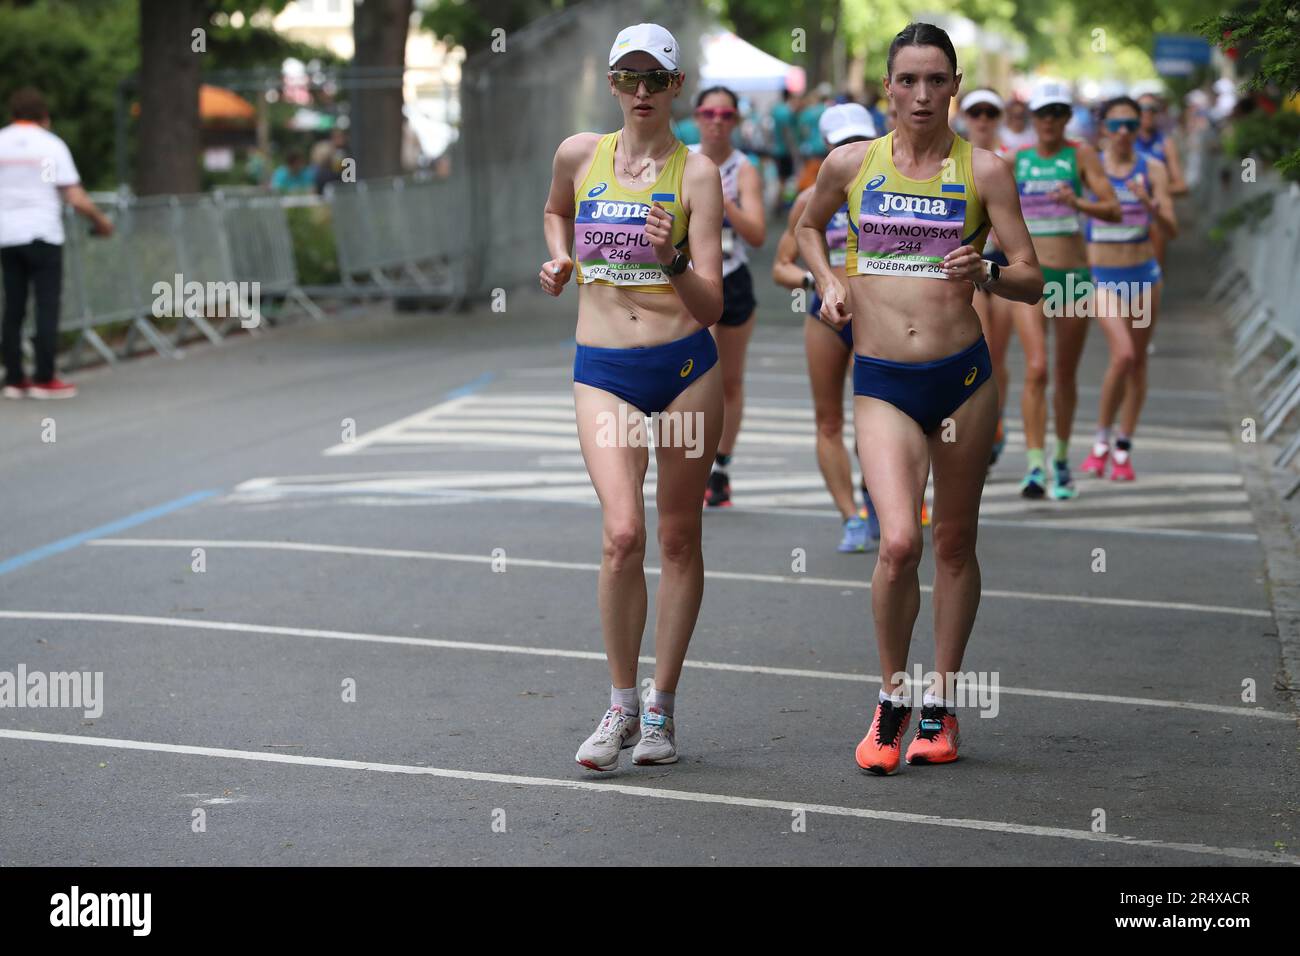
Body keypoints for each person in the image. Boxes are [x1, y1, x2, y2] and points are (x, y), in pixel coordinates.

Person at [796, 23, 1043, 774]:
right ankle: (892, 695)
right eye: (909, 80)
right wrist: (830, 280)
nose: (923, 94)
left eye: (937, 80)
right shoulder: (850, 163)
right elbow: (805, 228)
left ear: (955, 86)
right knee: (898, 541)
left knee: (954, 543)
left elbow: (1034, 276)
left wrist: (990, 271)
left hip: (961, 377)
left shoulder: (986, 171)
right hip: (881, 379)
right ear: (888, 89)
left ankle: (941, 700)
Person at [539, 22, 724, 771]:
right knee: (622, 534)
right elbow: (556, 211)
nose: (641, 92)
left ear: (677, 85)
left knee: (677, 536)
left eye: (656, 79)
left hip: (684, 369)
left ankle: (662, 709)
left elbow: (710, 303)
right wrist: (558, 259)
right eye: (628, 77)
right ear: (612, 83)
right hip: (605, 370)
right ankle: (618, 702)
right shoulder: (579, 155)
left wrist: (672, 256)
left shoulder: (698, 174)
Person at [772, 103, 880, 551]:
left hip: (878, 318)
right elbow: (781, 265)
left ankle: (880, 499)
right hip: (826, 318)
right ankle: (849, 516)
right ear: (827, 148)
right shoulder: (809, 199)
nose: (851, 152)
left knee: (878, 419)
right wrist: (819, 281)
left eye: (860, 143)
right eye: (842, 144)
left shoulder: (889, 192)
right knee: (829, 419)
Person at [1011, 80, 1121, 500]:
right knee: (1036, 367)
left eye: (1058, 113)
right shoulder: (1017, 160)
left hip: (1072, 277)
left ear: (1067, 118)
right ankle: (1035, 465)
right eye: (1043, 113)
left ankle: (1060, 458)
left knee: (1064, 373)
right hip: (1030, 279)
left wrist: (1078, 203)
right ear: (1032, 118)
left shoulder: (1081, 155)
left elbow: (1112, 208)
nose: (1050, 121)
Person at [1079, 96, 1178, 483]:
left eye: (1131, 126)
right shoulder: (1090, 167)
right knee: (1121, 356)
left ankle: (1122, 448)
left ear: (1139, 129)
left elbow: (1172, 229)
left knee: (1137, 364)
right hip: (1102, 275)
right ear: (1103, 128)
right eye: (1116, 125)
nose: (1124, 133)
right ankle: (1100, 441)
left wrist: (1149, 205)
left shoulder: (1151, 169)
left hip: (1144, 276)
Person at [0, 88, 113, 401]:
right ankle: (44, 376)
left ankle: (14, 378)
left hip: (7, 235)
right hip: (43, 233)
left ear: (13, 114)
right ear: (44, 117)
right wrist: (100, 222)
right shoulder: (51, 145)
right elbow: (74, 196)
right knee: (46, 305)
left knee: (13, 307)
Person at [689, 86, 766, 508]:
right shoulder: (680, 158)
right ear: (696, 117)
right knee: (701, 377)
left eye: (725, 115)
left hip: (733, 277)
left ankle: (720, 468)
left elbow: (756, 233)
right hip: (691, 280)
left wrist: (722, 197)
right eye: (708, 113)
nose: (716, 122)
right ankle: (692, 461)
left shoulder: (744, 169)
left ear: (735, 121)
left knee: (730, 382)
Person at [959, 88, 1016, 467]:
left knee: (997, 355)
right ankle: (972, 427)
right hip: (968, 262)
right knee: (974, 351)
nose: (982, 119)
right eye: (975, 112)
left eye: (989, 113)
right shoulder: (950, 159)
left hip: (1005, 263)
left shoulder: (1012, 160)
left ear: (999, 118)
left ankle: (994, 422)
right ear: (965, 116)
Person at [1134, 92, 1188, 269]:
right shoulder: (1125, 141)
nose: (1147, 113)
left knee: (1154, 274)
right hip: (1129, 213)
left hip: (1154, 215)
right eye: (1141, 109)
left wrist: (1155, 190)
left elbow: (1181, 186)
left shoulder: (1165, 143)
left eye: (1152, 109)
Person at [768, 89, 800, 212]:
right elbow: (788, 133)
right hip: (785, 150)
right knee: (784, 179)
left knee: (780, 178)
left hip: (776, 149)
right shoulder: (787, 112)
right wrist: (793, 151)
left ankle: (778, 203)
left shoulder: (776, 110)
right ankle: (779, 204)